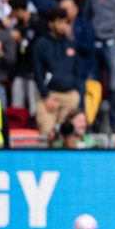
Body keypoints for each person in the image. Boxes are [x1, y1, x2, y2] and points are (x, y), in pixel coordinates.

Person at [32, 8, 82, 137]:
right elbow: (37, 72)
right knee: (47, 135)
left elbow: (78, 70)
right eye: (59, 22)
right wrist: (45, 96)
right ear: (51, 23)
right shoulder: (41, 44)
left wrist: (76, 91)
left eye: (66, 23)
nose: (62, 26)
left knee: (68, 135)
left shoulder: (71, 43)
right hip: (49, 95)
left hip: (70, 95)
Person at [9, 0, 46, 118]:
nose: (12, 14)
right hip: (19, 70)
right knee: (17, 104)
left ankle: (34, 132)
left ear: (19, 10)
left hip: (33, 71)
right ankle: (17, 128)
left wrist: (20, 41)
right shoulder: (18, 26)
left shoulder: (37, 23)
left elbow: (35, 49)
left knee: (33, 106)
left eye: (13, 11)